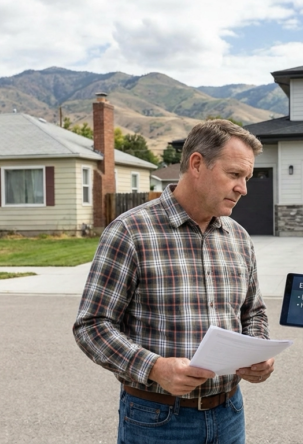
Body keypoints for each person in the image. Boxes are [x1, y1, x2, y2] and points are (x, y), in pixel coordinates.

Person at [73, 119, 274, 444]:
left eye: (246, 178)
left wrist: (258, 351)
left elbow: (254, 312)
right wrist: (154, 368)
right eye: (234, 175)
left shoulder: (238, 238)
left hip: (230, 415)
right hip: (158, 420)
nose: (243, 188)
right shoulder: (131, 231)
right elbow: (92, 326)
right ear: (197, 164)